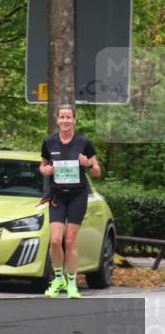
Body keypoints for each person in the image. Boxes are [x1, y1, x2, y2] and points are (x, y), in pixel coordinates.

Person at [39, 104, 101, 299]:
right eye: (62, 117)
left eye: (69, 117)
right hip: (57, 195)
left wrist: (88, 163)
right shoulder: (49, 142)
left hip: (77, 195)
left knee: (70, 240)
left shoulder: (84, 143)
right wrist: (46, 171)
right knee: (56, 240)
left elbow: (97, 171)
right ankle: (59, 278)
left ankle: (72, 283)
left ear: (74, 120)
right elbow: (42, 165)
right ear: (57, 120)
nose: (65, 121)